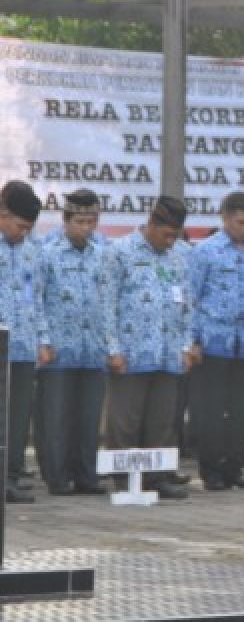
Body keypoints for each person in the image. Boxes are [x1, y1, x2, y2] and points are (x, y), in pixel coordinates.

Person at [100, 196, 196, 500]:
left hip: (168, 354)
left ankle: (158, 479)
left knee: (162, 420)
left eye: (175, 236)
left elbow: (187, 306)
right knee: (125, 421)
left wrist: (186, 345)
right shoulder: (120, 252)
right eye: (167, 234)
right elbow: (106, 304)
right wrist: (112, 347)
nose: (171, 242)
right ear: (152, 224)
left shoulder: (180, 256)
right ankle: (125, 479)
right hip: (130, 353)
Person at [188, 191, 244, 491]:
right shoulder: (205, 252)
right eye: (240, 222)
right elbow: (192, 299)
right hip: (214, 340)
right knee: (211, 410)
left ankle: (235, 468)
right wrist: (193, 340)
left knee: (243, 411)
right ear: (225, 218)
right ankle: (211, 472)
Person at [36, 189, 108, 496]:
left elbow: (110, 300)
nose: (86, 228)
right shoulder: (46, 251)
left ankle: (87, 475)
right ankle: (57, 476)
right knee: (57, 416)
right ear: (66, 219)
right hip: (59, 348)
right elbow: (35, 299)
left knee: (89, 416)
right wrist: (43, 338)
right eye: (80, 221)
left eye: (92, 221)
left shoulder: (103, 252)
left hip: (93, 348)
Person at [0, 181, 50, 504]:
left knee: (17, 417)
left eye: (29, 228)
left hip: (22, 347)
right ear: (3, 214)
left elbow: (38, 299)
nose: (23, 233)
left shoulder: (34, 252)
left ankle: (11, 476)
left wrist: (43, 338)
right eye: (20, 226)